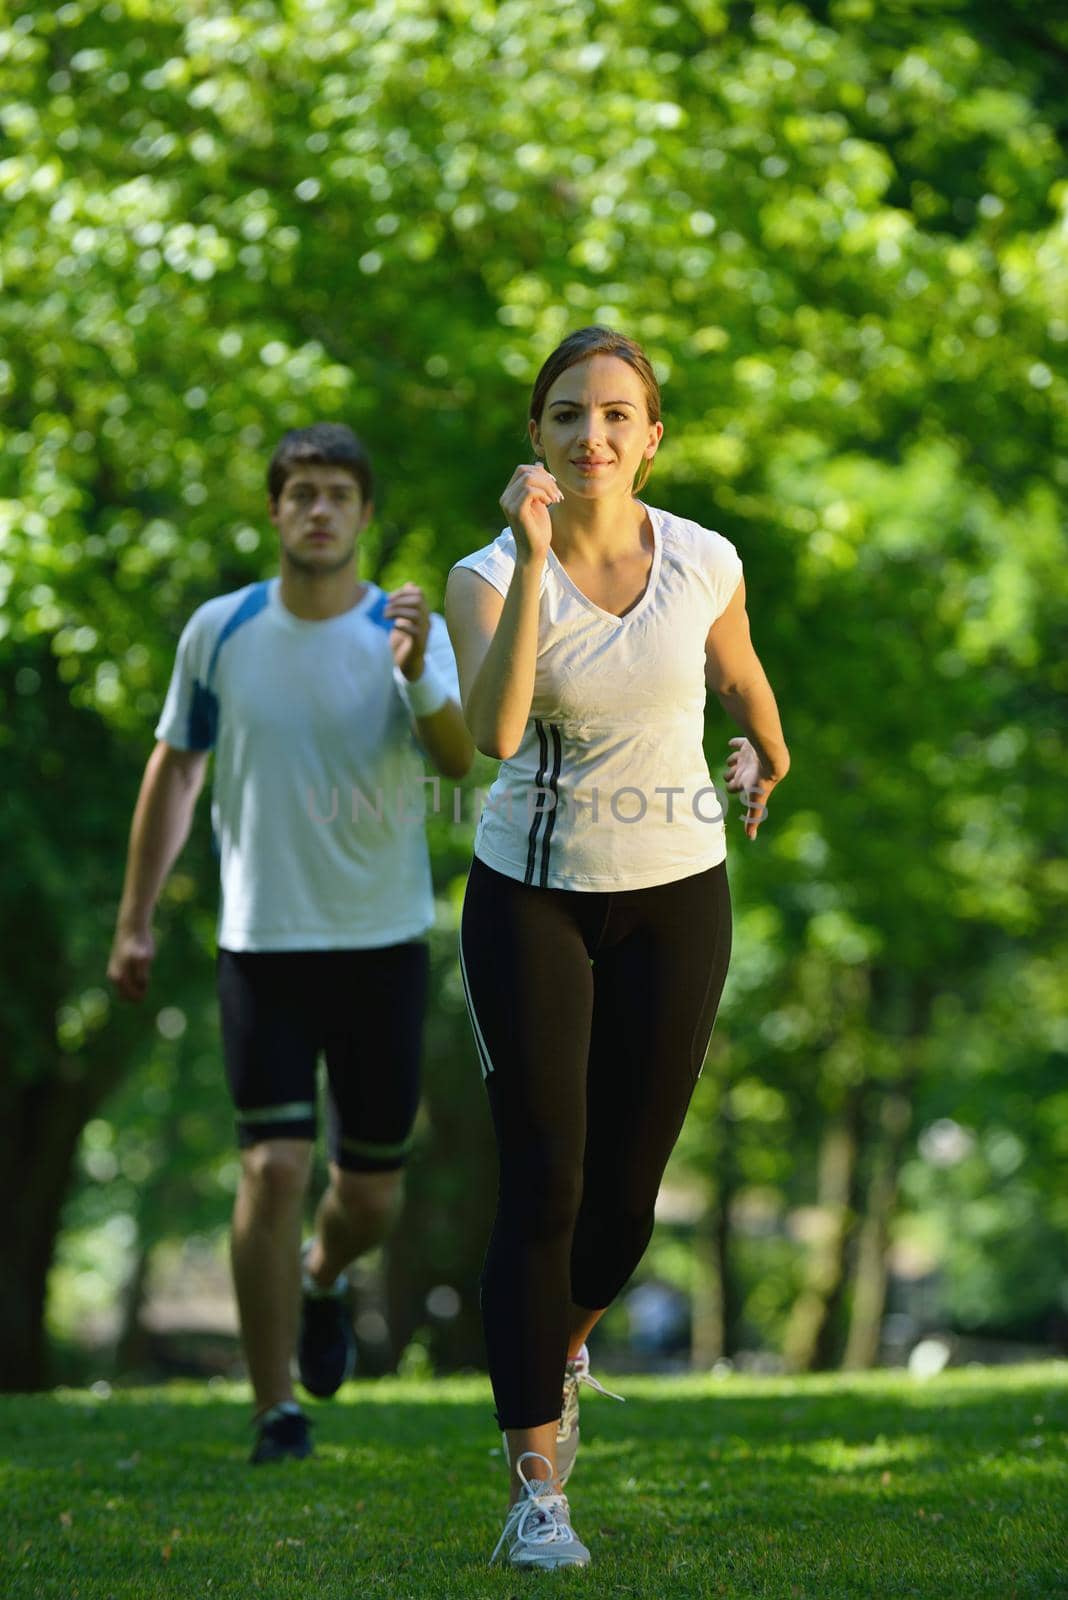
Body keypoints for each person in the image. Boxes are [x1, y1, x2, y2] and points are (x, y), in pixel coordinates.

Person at [445, 327, 789, 1569]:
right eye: (566, 415)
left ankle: (558, 1342)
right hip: (531, 894)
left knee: (625, 1211)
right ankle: (538, 1493)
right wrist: (537, 560)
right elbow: (490, 728)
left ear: (651, 438)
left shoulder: (703, 558)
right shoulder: (485, 572)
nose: (591, 434)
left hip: (678, 888)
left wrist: (765, 748)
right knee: (545, 1183)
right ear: (535, 437)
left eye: (615, 415)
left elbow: (740, 675)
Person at [108, 423, 473, 1463]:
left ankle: (323, 1272)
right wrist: (135, 919)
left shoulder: (408, 626)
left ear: (364, 515)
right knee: (270, 1164)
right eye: (301, 492)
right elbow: (175, 771)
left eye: (338, 494)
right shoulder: (219, 630)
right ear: (275, 511)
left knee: (371, 1195)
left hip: (382, 945)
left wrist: (414, 671)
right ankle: (276, 1408)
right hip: (262, 946)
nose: (319, 509)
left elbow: (461, 762)